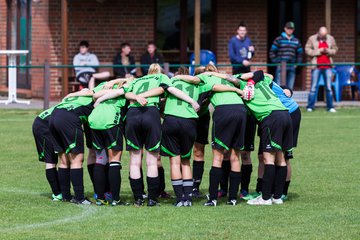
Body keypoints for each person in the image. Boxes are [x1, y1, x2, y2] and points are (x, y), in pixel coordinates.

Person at [99, 64, 199, 207]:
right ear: (159, 71)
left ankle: (138, 199)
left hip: (132, 114)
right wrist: (191, 101)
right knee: (152, 160)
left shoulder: (137, 80)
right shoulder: (162, 77)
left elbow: (125, 93)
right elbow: (167, 89)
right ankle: (152, 199)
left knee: (134, 160)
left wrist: (136, 97)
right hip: (150, 113)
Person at [194, 64, 254, 206]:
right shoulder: (228, 78)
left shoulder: (204, 77)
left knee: (218, 156)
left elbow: (213, 87)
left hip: (224, 111)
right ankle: (233, 198)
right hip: (241, 110)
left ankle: (213, 198)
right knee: (235, 156)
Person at [235, 71, 293, 205]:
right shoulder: (263, 81)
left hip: (271, 117)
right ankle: (277, 197)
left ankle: (265, 198)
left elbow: (246, 76)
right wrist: (252, 80)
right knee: (281, 158)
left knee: (269, 159)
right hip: (285, 115)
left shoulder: (241, 83)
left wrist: (247, 82)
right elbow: (263, 73)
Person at [49, 84, 105, 205]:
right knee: (77, 160)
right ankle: (79, 197)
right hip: (68, 119)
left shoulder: (78, 95)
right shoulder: (95, 97)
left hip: (53, 116)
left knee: (63, 160)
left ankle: (65, 195)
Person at [160, 67, 201, 207]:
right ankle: (188, 199)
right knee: (186, 161)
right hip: (189, 121)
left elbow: (161, 100)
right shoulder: (197, 85)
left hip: (171, 120)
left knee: (174, 161)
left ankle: (179, 198)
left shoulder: (171, 81)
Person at [32, 106, 62, 201]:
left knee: (63, 158)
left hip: (49, 122)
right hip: (43, 126)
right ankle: (57, 194)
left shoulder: (73, 98)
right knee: (51, 161)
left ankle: (62, 192)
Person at [305, 26, 338, 113]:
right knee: (313, 87)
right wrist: (318, 51)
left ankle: (330, 106)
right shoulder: (312, 39)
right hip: (316, 66)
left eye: (325, 35)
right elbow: (307, 50)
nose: (323, 37)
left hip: (328, 67)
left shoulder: (330, 38)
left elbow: (335, 49)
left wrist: (328, 51)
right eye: (322, 35)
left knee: (328, 87)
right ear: (318, 33)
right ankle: (310, 106)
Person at [269, 22, 303, 90]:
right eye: (288, 28)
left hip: (292, 65)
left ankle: (288, 100)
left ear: (293, 30)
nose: (290, 30)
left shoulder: (296, 40)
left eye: (291, 29)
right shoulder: (279, 39)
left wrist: (297, 63)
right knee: (279, 87)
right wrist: (276, 62)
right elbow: (272, 52)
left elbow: (300, 53)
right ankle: (279, 100)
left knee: (290, 88)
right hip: (281, 65)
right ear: (285, 29)